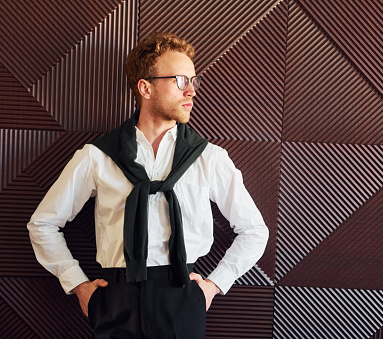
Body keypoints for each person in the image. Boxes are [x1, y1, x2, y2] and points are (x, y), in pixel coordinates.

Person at [27, 31, 268, 339]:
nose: (191, 91)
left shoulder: (209, 158)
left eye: (194, 81)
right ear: (146, 88)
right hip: (115, 300)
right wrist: (76, 284)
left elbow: (254, 231)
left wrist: (212, 286)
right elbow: (43, 224)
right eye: (181, 80)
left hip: (181, 296)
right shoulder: (98, 156)